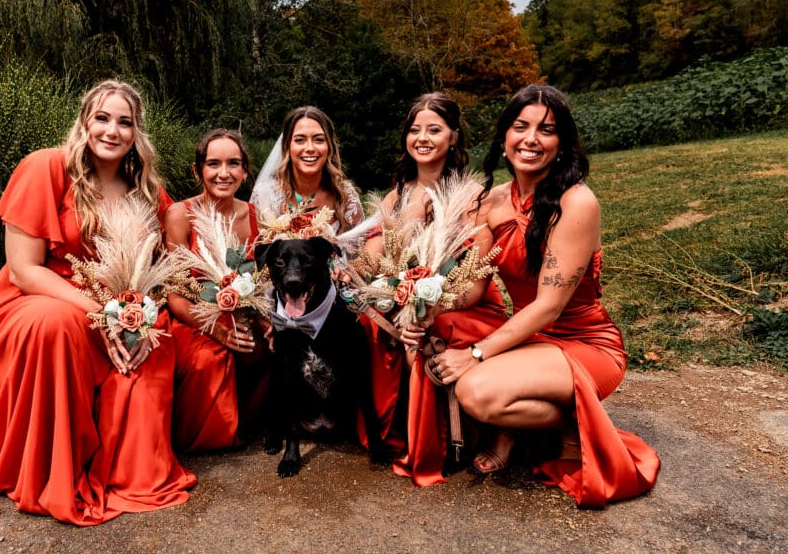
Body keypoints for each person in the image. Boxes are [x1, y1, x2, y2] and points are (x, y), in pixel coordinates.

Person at [0, 79, 195, 525]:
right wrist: (99, 313)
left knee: (152, 352)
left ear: (137, 132)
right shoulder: (46, 167)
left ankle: (121, 467)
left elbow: (163, 268)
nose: (112, 130)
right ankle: (51, 471)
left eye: (124, 122)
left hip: (119, 308)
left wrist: (141, 319)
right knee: (57, 324)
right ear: (84, 122)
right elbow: (23, 270)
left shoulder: (147, 189)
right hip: (42, 296)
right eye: (102, 118)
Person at [417, 85, 660, 507]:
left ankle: (567, 426)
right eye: (521, 127)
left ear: (562, 142)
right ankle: (536, 426)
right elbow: (474, 287)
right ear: (504, 137)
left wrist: (475, 354)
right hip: (531, 338)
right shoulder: (490, 202)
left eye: (546, 130)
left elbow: (549, 306)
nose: (531, 139)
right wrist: (421, 300)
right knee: (445, 337)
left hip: (584, 343)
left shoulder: (576, 202)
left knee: (475, 391)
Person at [358, 92, 506, 461]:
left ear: (453, 137)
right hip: (407, 299)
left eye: (434, 130)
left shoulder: (474, 198)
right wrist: (352, 271)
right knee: (365, 321)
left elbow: (474, 285)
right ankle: (388, 426)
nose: (422, 138)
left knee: (426, 332)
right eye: (414, 130)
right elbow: (372, 258)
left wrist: (427, 311)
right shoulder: (396, 196)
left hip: (461, 305)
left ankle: (439, 441)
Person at [164, 129, 269, 451]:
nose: (224, 173)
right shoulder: (180, 214)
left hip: (242, 315)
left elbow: (265, 282)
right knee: (209, 358)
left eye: (233, 163)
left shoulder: (256, 216)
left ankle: (255, 421)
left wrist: (266, 320)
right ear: (198, 171)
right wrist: (218, 331)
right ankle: (206, 433)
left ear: (245, 171)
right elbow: (174, 293)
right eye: (213, 164)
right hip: (193, 319)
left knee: (268, 344)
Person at [250, 106, 363, 233]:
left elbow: (361, 244)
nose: (310, 148)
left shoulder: (346, 196)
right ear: (287, 146)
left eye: (319, 140)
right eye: (300, 140)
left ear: (329, 146)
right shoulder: (265, 196)